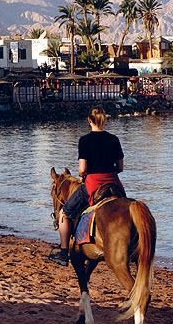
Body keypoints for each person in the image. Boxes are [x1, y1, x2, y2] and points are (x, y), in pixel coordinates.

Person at [49, 107, 126, 266]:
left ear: (89, 120)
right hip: (113, 183)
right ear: (103, 120)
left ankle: (63, 254)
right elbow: (120, 167)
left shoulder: (84, 140)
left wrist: (83, 176)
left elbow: (82, 169)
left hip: (93, 184)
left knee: (65, 212)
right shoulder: (114, 139)